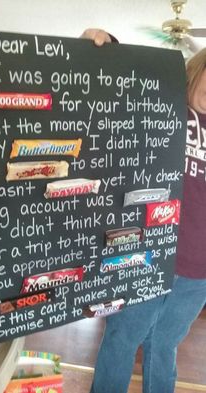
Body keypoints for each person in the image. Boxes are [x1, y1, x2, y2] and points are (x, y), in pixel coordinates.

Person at [81, 29, 206, 393]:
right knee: (123, 337)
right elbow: (126, 85)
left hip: (198, 273)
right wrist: (106, 46)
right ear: (198, 68)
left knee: (164, 345)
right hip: (147, 254)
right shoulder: (165, 105)